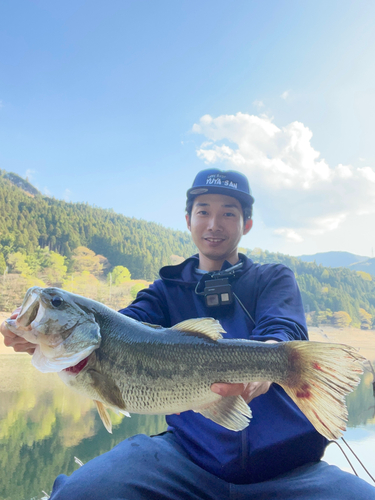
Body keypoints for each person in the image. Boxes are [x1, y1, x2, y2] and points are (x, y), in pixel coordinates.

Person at [2, 168, 375, 499]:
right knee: (77, 494)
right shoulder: (163, 290)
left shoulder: (273, 277)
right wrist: (39, 336)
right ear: (188, 219)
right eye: (204, 212)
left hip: (292, 470)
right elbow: (122, 323)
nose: (214, 223)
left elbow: (283, 329)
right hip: (187, 461)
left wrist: (268, 361)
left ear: (246, 224)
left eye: (229, 213)